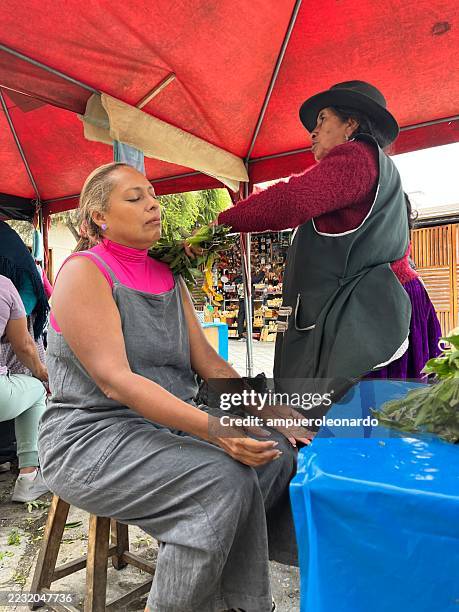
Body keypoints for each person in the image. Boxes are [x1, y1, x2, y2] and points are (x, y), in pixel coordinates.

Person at [38, 162, 311, 612]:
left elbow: (206, 361)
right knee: (221, 481)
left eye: (151, 194)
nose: (152, 204)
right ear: (98, 217)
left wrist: (264, 409)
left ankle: (227, 597)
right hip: (92, 437)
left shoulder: (169, 276)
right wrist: (215, 430)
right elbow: (116, 382)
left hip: (161, 426)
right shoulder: (84, 273)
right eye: (134, 197)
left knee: (274, 456)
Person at [216, 80, 441, 389]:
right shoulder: (376, 170)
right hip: (382, 306)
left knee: (360, 421)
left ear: (351, 122)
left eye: (322, 119)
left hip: (371, 317)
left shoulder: (357, 158)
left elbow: (291, 200)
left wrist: (222, 223)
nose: (313, 131)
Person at [0, 274, 49, 502]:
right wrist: (42, 375)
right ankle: (28, 478)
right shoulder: (4, 284)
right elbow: (24, 345)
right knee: (36, 390)